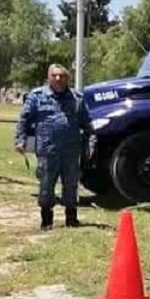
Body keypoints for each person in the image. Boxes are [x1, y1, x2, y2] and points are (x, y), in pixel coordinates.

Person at [15, 64, 92, 230]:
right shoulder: (37, 96)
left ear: (67, 78)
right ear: (48, 77)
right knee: (46, 184)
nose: (58, 79)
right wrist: (20, 140)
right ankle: (46, 220)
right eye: (54, 75)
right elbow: (24, 120)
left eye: (62, 76)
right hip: (47, 149)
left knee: (71, 184)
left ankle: (71, 219)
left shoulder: (77, 98)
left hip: (71, 150)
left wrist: (89, 145)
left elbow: (87, 124)